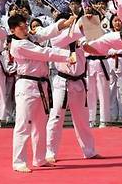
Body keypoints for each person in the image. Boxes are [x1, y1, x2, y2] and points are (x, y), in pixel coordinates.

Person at [8, 13, 76, 173]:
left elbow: (44, 32)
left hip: (42, 85)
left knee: (40, 124)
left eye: (25, 25)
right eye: (21, 27)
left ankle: (39, 158)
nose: (25, 29)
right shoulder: (18, 45)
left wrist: (63, 24)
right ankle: (18, 161)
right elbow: (44, 53)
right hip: (26, 85)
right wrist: (68, 55)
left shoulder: (29, 38)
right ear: (12, 30)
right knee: (23, 124)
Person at [45, 12, 101, 163]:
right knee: (56, 118)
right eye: (65, 23)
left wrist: (91, 23)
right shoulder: (56, 38)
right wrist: (78, 25)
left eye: (70, 22)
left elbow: (91, 43)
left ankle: (89, 150)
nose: (68, 25)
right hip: (62, 82)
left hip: (79, 82)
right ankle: (50, 152)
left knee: (82, 119)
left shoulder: (79, 36)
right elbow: (68, 37)